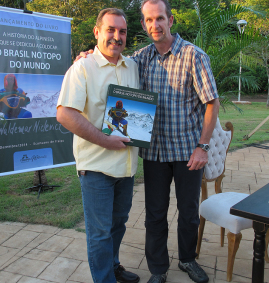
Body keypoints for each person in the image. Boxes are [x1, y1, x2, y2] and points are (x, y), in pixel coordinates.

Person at [76, 0, 219, 282]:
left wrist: (203, 146)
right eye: (149, 20)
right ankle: (158, 269)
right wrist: (86, 56)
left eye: (160, 19)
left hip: (188, 151)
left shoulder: (194, 56)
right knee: (155, 214)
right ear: (143, 24)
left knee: (188, 211)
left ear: (170, 20)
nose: (155, 25)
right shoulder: (140, 59)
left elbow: (212, 103)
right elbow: (110, 57)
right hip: (153, 152)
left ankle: (188, 260)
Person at [56, 8, 141, 283]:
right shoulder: (82, 68)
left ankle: (113, 266)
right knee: (100, 232)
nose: (117, 37)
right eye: (111, 30)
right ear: (97, 32)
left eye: (123, 31)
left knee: (117, 225)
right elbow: (65, 113)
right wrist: (105, 140)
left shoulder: (132, 66)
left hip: (126, 166)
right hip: (96, 168)